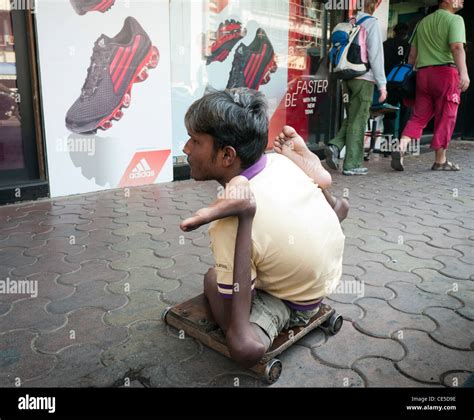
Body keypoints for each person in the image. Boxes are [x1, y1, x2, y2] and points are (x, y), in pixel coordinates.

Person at [180, 88, 347, 367]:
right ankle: (328, 191)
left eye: (195, 141)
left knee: (217, 289)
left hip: (296, 302)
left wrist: (245, 217)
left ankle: (250, 214)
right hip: (324, 273)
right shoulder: (281, 161)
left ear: (226, 155)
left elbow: (234, 294)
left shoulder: (226, 222)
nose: (186, 148)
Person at [391, 0, 470, 172]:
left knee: (419, 116)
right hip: (446, 74)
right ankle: (440, 160)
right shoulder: (455, 20)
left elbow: (412, 55)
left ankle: (401, 146)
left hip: (423, 75)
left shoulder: (422, 22)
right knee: (446, 115)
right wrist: (464, 73)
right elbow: (457, 47)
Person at [325, 0, 386, 176]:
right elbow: (375, 55)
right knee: (359, 120)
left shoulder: (350, 23)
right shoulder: (371, 23)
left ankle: (335, 146)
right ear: (374, 5)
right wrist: (382, 85)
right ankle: (352, 164)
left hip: (346, 78)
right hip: (364, 79)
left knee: (352, 117)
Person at [383, 23, 411, 139]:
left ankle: (388, 143)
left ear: (394, 32)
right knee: (405, 113)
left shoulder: (386, 44)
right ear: (406, 34)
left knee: (389, 112)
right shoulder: (409, 46)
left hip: (389, 83)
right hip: (404, 83)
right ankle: (402, 143)